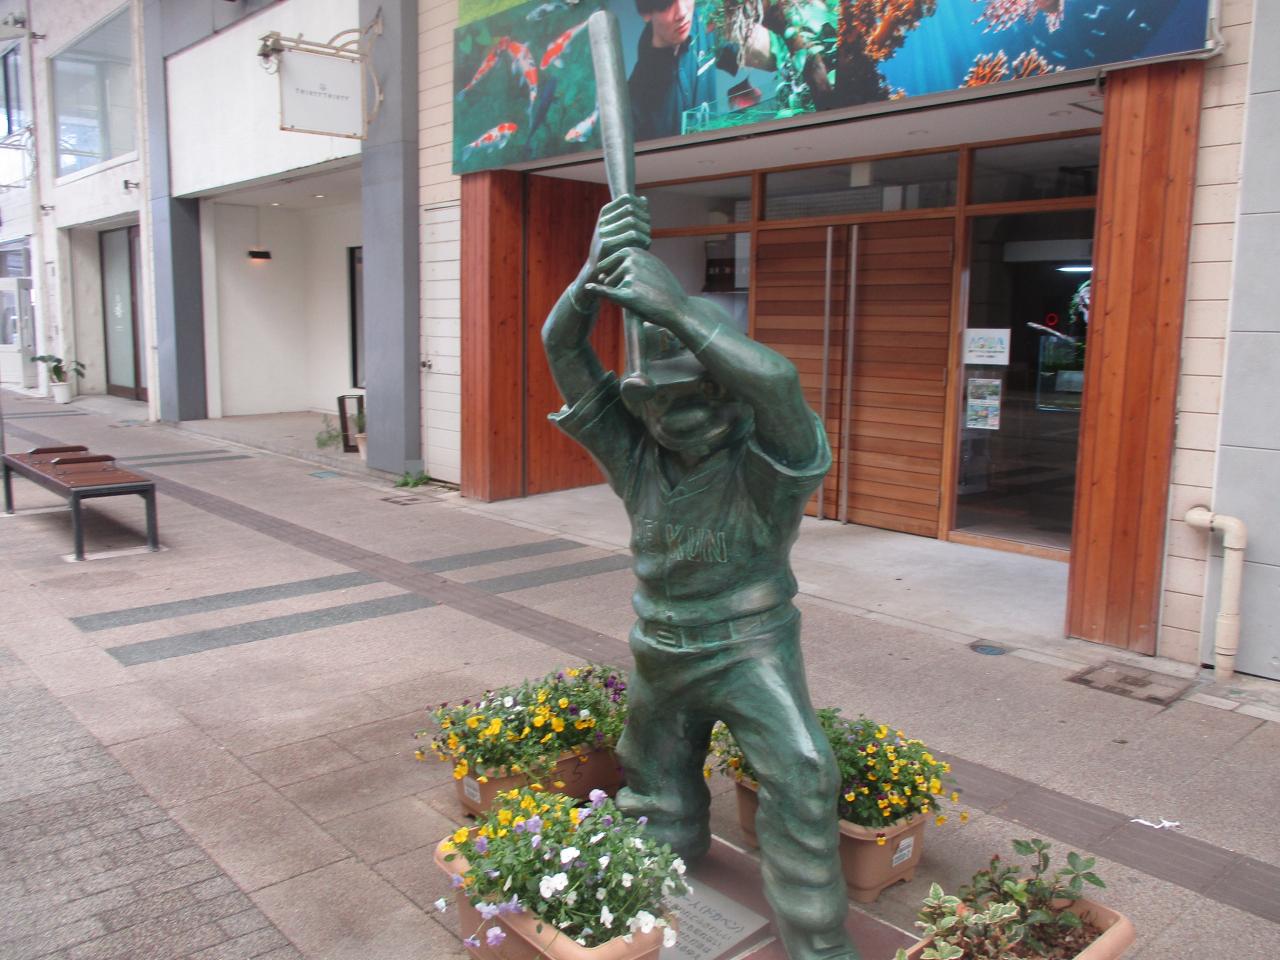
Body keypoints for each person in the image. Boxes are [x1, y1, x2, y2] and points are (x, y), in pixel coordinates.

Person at [541, 193, 858, 960]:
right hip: (660, 649)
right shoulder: (636, 457)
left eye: (704, 392)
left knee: (804, 772)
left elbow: (780, 385)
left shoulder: (768, 469)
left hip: (752, 650)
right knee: (654, 787)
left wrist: (679, 313)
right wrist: (589, 277)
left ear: (731, 395)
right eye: (661, 400)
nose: (681, 414)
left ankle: (818, 945)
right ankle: (658, 885)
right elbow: (563, 349)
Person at [627, 0, 716, 140]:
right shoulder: (635, 103)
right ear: (645, 13)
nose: (682, 13)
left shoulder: (704, 20)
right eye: (667, 4)